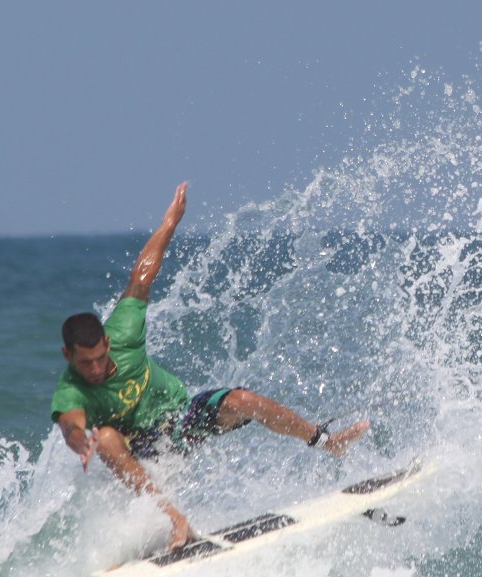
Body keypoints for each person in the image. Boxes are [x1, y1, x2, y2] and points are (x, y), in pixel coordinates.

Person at [51, 182, 369, 550]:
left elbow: (142, 273)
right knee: (104, 436)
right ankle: (176, 521)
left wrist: (171, 219)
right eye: (84, 362)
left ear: (107, 343)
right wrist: (81, 443)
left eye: (99, 358)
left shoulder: (123, 330)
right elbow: (70, 424)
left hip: (181, 421)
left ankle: (327, 442)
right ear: (67, 356)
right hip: (141, 449)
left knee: (242, 399)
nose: (93, 368)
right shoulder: (70, 389)